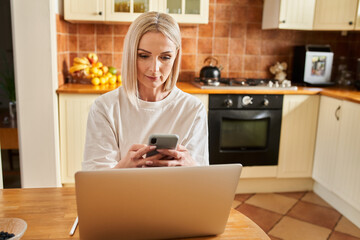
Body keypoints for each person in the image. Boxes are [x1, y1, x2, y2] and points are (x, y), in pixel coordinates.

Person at [82, 11, 209, 170]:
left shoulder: (193, 109)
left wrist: (193, 167)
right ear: (130, 55)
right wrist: (123, 168)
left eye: (165, 57)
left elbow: (200, 184)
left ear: (176, 56)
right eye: (143, 56)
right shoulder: (105, 108)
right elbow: (95, 183)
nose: (154, 69)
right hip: (124, 194)